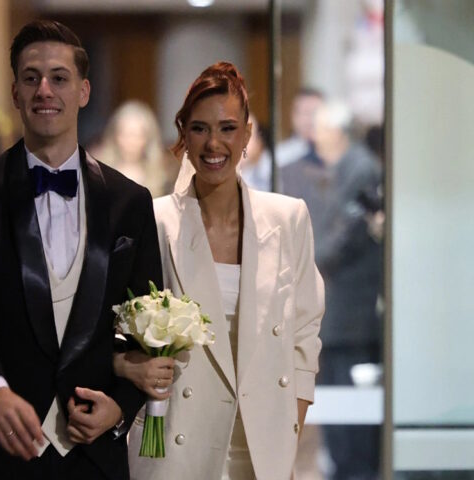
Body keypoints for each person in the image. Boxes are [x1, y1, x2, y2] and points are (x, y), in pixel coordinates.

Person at [0, 20, 162, 479]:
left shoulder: (130, 202)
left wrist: (119, 407)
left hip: (94, 457)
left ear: (83, 91)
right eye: (31, 77)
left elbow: (149, 322)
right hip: (1, 455)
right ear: (15, 93)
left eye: (59, 78)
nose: (44, 90)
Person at [115, 62, 325, 480]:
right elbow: (113, 327)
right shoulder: (153, 221)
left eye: (228, 128)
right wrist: (127, 366)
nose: (214, 143)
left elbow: (304, 337)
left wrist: (288, 434)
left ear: (247, 134)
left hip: (261, 449)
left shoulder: (288, 219)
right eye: (200, 128)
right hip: (177, 445)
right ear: (183, 134)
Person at [280, 100, 382, 480]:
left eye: (321, 129)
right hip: (334, 307)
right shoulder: (339, 167)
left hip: (351, 309)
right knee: (335, 397)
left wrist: (308, 256)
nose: (315, 137)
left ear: (336, 132)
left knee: (351, 401)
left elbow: (343, 234)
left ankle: (356, 470)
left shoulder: (360, 167)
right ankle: (343, 466)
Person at [242, 87, 324, 192]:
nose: (310, 120)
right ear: (293, 116)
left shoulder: (335, 157)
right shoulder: (278, 157)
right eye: (305, 112)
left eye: (315, 113)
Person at [96, 101, 169, 197]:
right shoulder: (100, 174)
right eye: (125, 134)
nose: (131, 142)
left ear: (148, 139)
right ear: (115, 136)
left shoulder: (159, 178)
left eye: (137, 135)